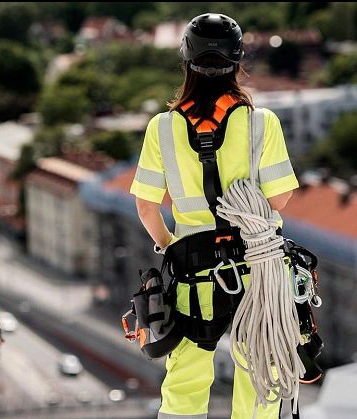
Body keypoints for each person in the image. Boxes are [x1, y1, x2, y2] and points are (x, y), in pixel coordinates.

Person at [129, 13, 299, 419]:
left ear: (186, 61)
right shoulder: (262, 123)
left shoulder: (163, 128)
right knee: (260, 374)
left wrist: (172, 246)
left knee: (186, 379)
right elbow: (280, 199)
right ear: (238, 61)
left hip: (195, 272)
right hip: (259, 273)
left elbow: (146, 207)